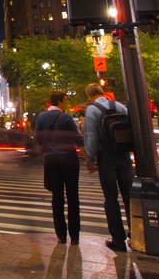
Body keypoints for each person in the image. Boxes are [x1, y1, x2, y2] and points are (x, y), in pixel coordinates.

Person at [84, 82, 134, 253]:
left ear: (89, 96)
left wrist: (89, 159)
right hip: (124, 155)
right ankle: (135, 235)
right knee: (129, 197)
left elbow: (91, 136)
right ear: (103, 92)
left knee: (111, 199)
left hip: (106, 157)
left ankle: (118, 239)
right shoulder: (120, 106)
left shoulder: (92, 110)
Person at [34, 91, 82, 245]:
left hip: (51, 160)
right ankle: (74, 235)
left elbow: (38, 138)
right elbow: (77, 138)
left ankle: (61, 234)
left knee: (57, 197)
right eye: (66, 100)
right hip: (69, 160)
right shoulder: (66, 117)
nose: (67, 103)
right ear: (60, 101)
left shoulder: (41, 117)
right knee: (73, 197)